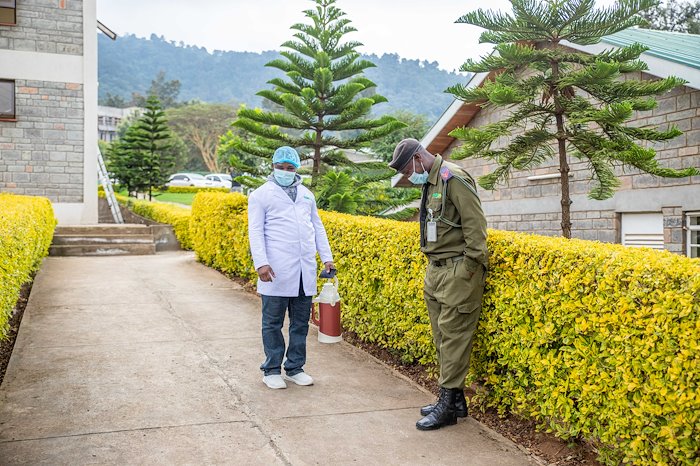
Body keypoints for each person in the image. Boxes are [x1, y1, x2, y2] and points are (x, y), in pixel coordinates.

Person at [388, 138, 488, 430]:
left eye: (408, 169)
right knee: (442, 338)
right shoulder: (430, 183)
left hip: (458, 271)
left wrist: (469, 269)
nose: (409, 176)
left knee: (454, 337)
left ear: (420, 157)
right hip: (436, 270)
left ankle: (447, 404)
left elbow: (475, 226)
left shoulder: (452, 178)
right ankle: (455, 401)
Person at [247, 146, 335, 390]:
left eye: (290, 168)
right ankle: (272, 369)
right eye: (281, 167)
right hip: (275, 269)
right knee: (272, 322)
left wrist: (326, 257)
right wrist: (261, 263)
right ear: (273, 167)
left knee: (300, 324)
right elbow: (255, 231)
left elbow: (317, 227)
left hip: (304, 270)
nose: (285, 171)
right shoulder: (261, 195)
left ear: (297, 169)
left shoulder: (307, 195)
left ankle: (295, 367)